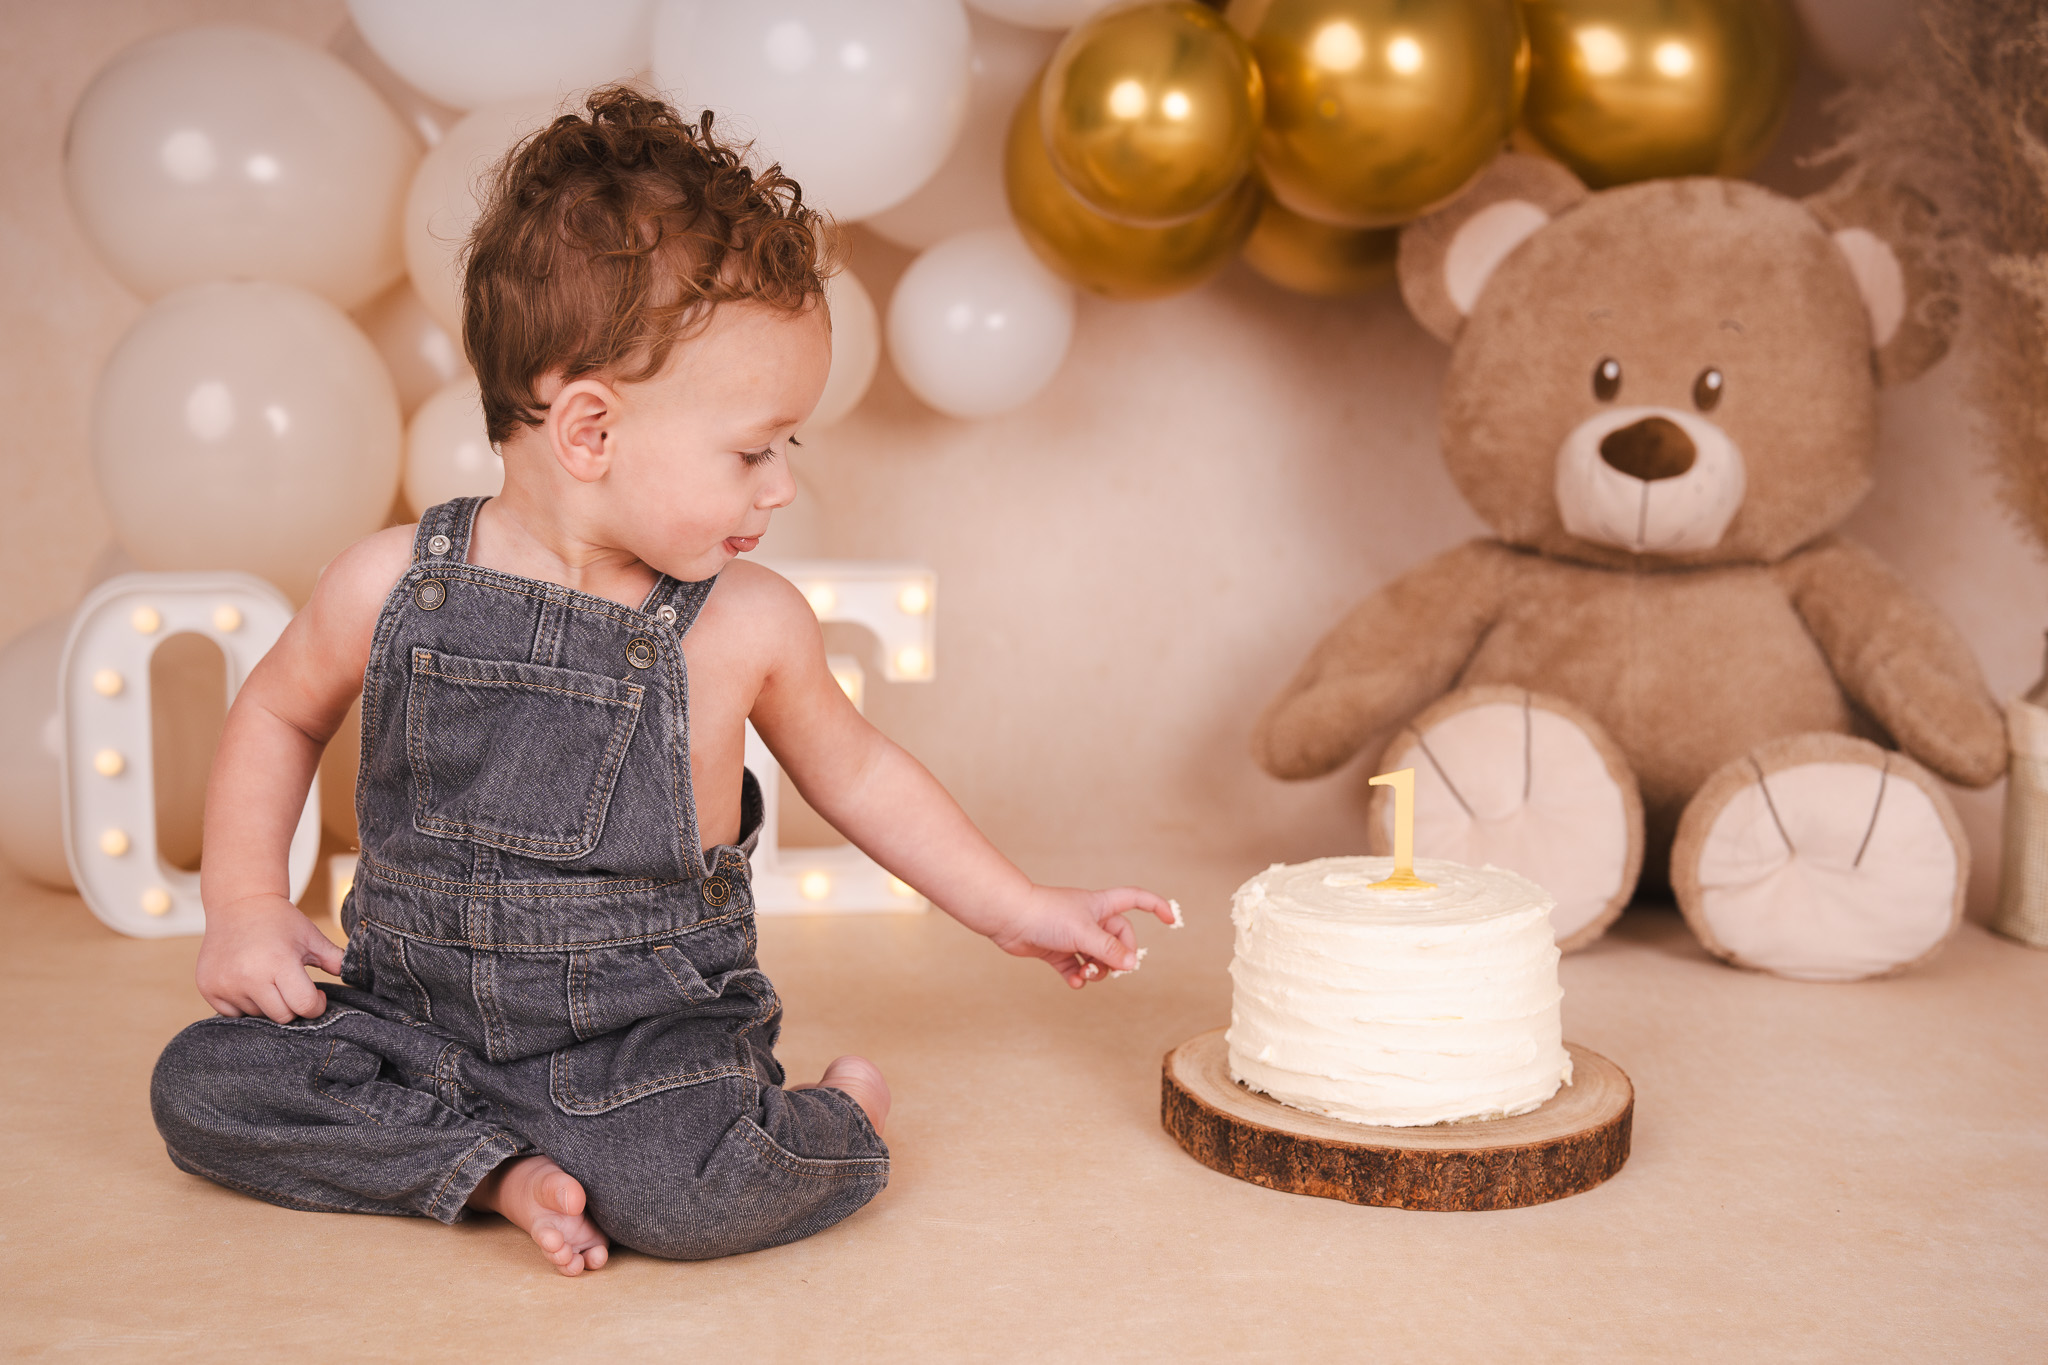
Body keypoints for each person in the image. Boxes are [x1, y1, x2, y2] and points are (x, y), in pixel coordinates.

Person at [150, 87, 1173, 1276]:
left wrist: (1020, 910)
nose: (778, 486)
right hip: (409, 1016)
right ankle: (495, 1175)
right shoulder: (390, 582)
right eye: (753, 449)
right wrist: (243, 907)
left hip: (634, 1050)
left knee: (698, 1194)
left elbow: (862, 774)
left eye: (788, 448)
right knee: (203, 1084)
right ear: (588, 432)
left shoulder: (745, 627)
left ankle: (835, 1116)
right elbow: (276, 712)